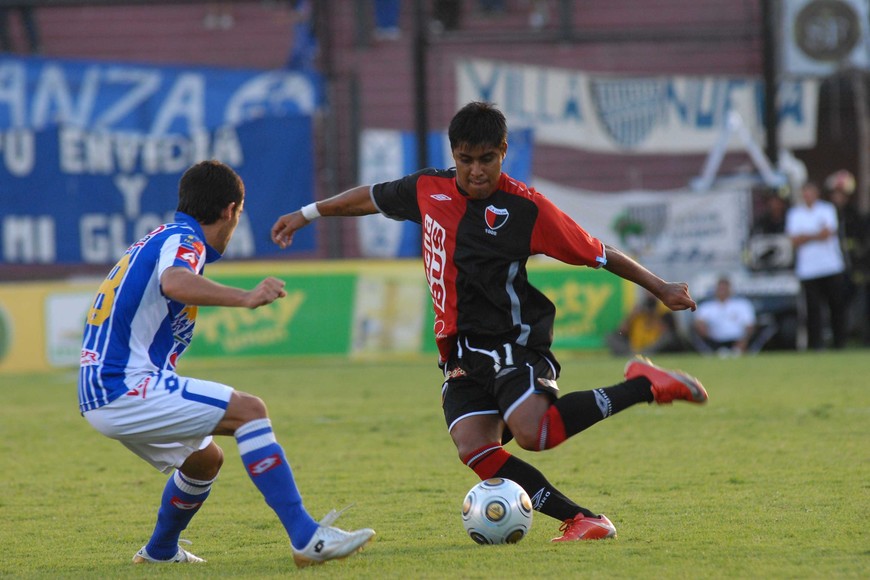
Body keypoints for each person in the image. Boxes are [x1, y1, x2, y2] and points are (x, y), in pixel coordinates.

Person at [271, 102, 708, 542]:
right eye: (466, 160)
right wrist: (308, 214)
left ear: (503, 152)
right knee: (475, 448)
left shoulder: (527, 208)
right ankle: (582, 519)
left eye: (486, 160)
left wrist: (661, 288)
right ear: (454, 154)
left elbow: (598, 252)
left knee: (537, 433)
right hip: (459, 352)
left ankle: (644, 385)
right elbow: (370, 197)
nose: (476, 171)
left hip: (510, 343)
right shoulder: (428, 188)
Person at [78, 160, 374, 567]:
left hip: (101, 388)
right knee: (249, 411)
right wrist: (246, 297)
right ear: (230, 210)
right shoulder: (185, 241)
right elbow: (175, 282)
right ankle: (307, 537)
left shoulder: (160, 237)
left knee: (205, 459)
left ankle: (160, 552)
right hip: (123, 384)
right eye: (239, 213)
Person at [785, 180, 849, 350]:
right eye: (804, 193)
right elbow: (794, 240)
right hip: (808, 270)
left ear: (816, 193)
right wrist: (816, 234)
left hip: (831, 266)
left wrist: (806, 236)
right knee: (813, 310)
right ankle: (816, 345)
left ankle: (839, 343)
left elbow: (828, 234)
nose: (807, 196)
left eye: (810, 192)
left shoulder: (827, 209)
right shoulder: (795, 214)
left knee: (836, 305)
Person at [690, 276, 757, 356]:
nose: (722, 292)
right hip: (714, 339)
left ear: (730, 290)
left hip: (737, 339)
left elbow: (749, 325)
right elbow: (699, 322)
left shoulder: (742, 304)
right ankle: (711, 351)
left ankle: (738, 350)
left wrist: (743, 341)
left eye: (725, 289)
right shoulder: (706, 306)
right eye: (720, 289)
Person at [606, 290, 681, 356]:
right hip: (635, 346)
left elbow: (671, 333)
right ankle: (634, 353)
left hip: (654, 345)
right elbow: (621, 331)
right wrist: (632, 316)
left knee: (668, 338)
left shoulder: (664, 310)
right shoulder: (637, 309)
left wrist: (654, 316)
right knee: (610, 337)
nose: (650, 293)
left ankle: (643, 353)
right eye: (648, 290)